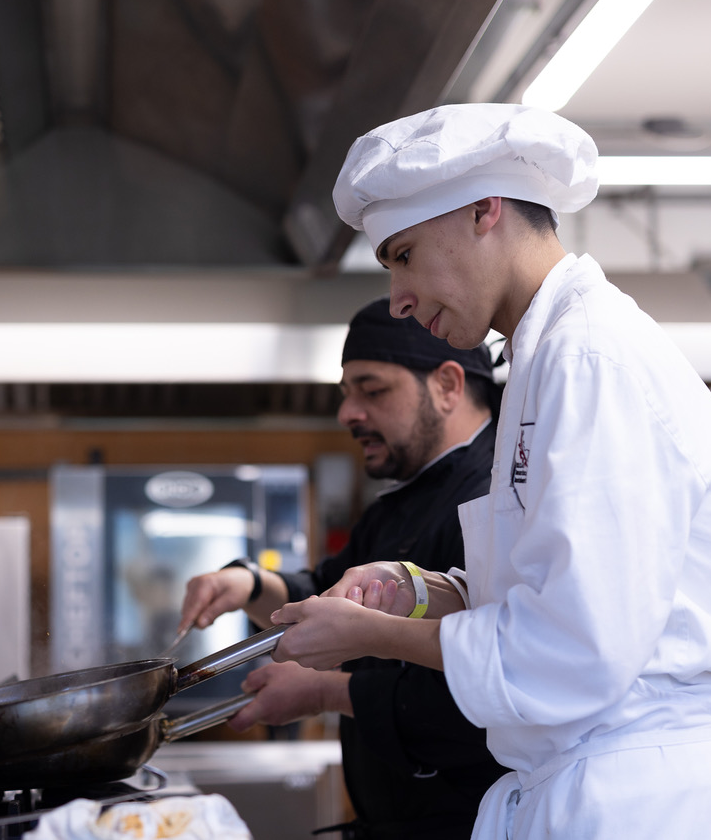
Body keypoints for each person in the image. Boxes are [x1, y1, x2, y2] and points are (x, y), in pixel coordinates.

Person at [266, 102, 711, 839]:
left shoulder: (589, 355)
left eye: (403, 255)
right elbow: (548, 591)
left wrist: (372, 637)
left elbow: (575, 650)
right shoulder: (540, 362)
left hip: (643, 804)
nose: (399, 300)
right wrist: (419, 592)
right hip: (590, 794)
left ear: (485, 211)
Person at [178, 297, 508, 840]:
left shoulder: (491, 498)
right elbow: (322, 592)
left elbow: (484, 692)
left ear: (448, 386)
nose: (347, 414)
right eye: (346, 394)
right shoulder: (394, 506)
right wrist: (246, 584)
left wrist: (327, 692)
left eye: (372, 390)